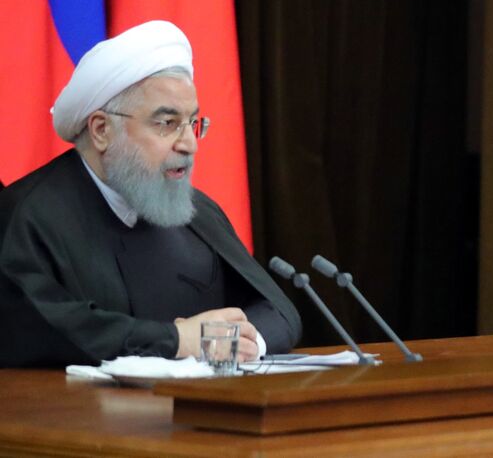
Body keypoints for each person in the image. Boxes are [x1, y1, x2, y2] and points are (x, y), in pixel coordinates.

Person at [0, 21, 300, 367]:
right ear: (101, 130)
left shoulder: (199, 214)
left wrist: (241, 344)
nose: (189, 144)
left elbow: (278, 310)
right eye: (166, 123)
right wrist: (178, 340)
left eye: (194, 123)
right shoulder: (26, 216)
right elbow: (43, 331)